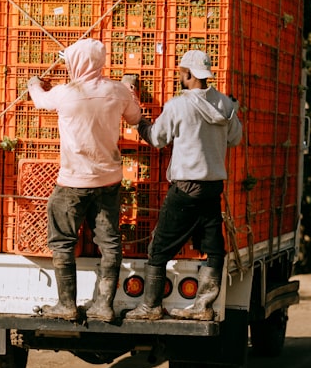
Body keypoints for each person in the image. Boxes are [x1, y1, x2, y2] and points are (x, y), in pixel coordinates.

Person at [26, 38, 142, 322]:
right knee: (110, 243)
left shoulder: (65, 93)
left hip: (73, 183)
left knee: (63, 242)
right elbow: (136, 117)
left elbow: (40, 101)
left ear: (75, 63)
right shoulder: (117, 91)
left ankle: (66, 304)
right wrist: (128, 90)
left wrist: (33, 84)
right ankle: (104, 305)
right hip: (108, 181)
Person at [127, 49, 242, 321]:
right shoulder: (225, 105)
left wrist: (140, 124)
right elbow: (235, 139)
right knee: (214, 249)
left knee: (159, 248)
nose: (180, 77)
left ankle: (151, 307)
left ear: (189, 75)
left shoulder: (178, 106)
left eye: (181, 73)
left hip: (186, 188)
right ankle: (203, 306)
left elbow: (157, 139)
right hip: (213, 187)